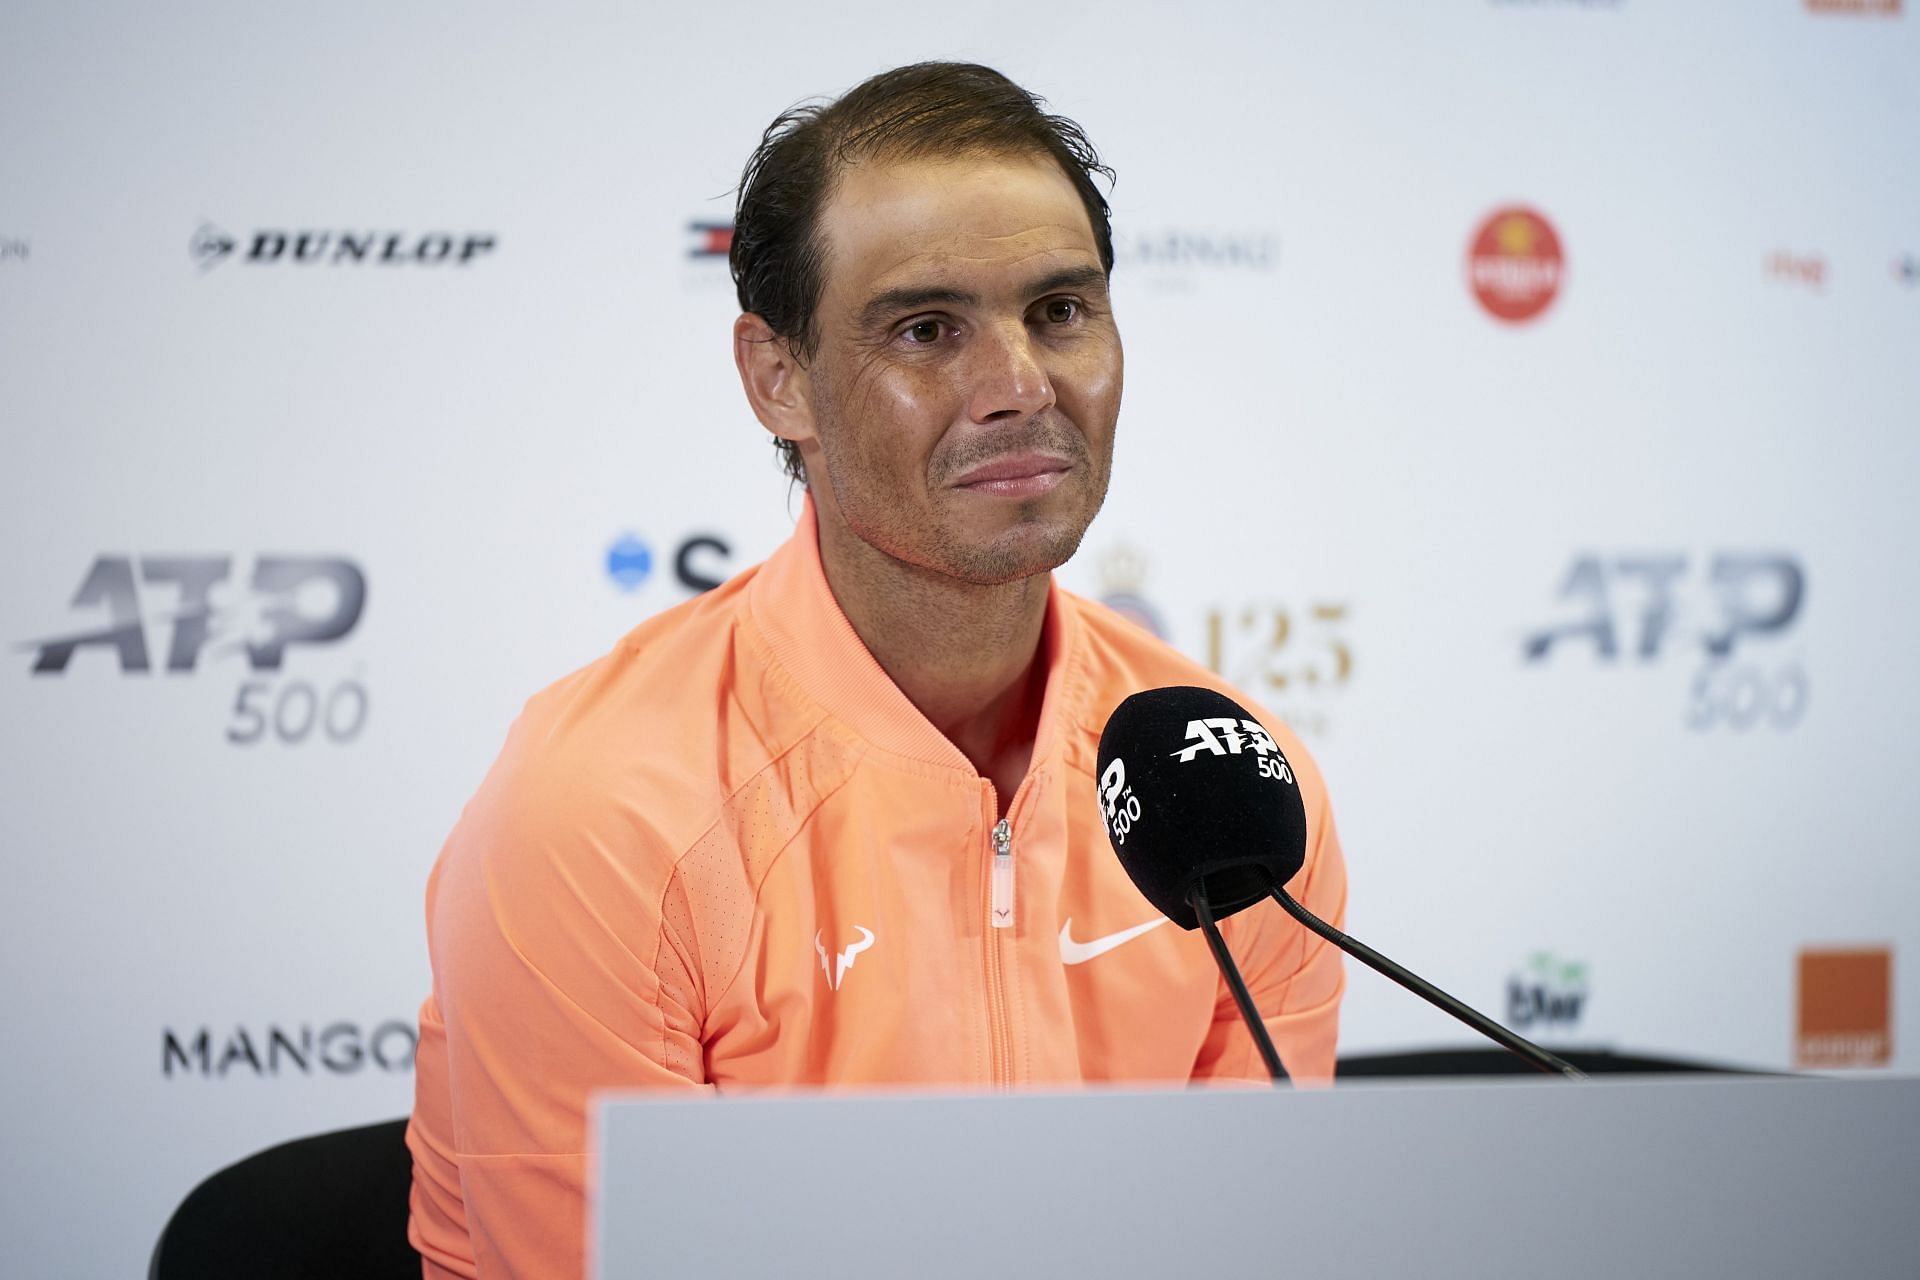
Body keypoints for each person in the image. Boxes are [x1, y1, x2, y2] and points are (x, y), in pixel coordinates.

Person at [405, 61, 1347, 1279]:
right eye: (926, 329)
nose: (1019, 388)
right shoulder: (600, 816)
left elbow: (1255, 1244)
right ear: (777, 378)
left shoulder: (1227, 788)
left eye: (1061, 309)